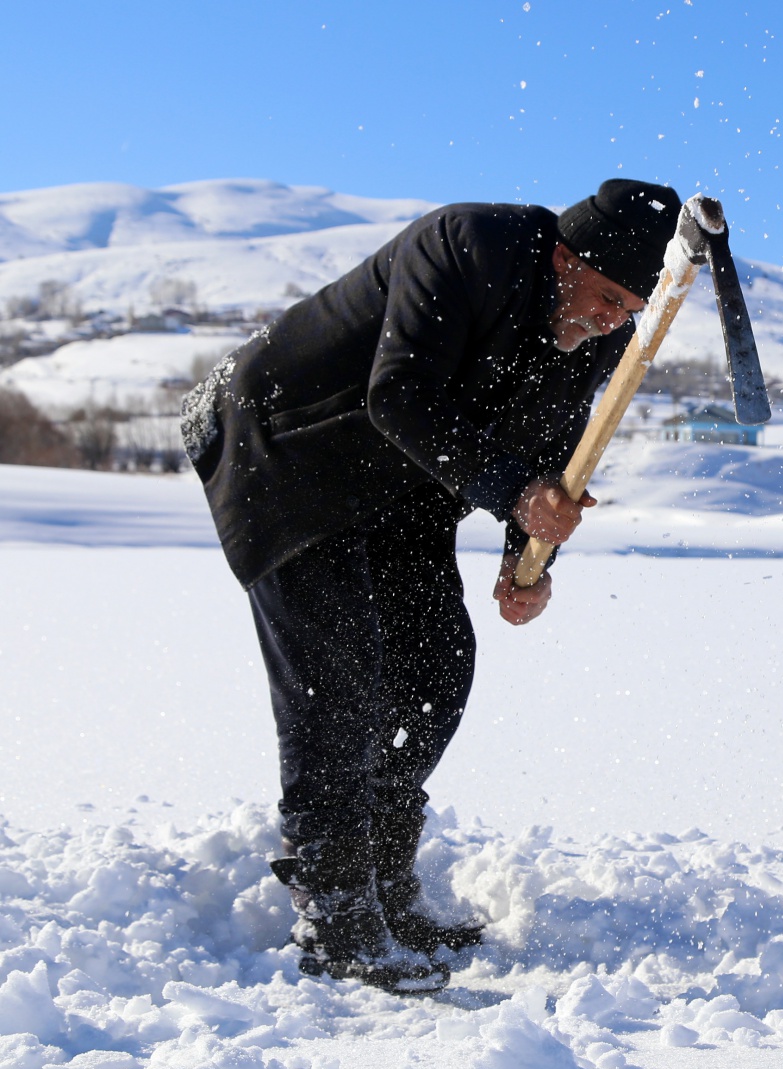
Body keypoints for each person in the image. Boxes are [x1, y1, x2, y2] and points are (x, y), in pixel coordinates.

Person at [182, 179, 682, 992]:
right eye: (606, 297)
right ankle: (338, 914)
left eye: (629, 308)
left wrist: (528, 554)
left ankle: (385, 886)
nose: (611, 320)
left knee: (435, 667)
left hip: (403, 482)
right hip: (292, 445)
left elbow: (549, 452)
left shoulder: (598, 341)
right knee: (338, 677)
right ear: (565, 258)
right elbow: (400, 394)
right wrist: (515, 494)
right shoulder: (467, 246)